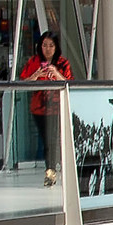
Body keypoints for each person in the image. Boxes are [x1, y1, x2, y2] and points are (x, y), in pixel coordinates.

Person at [20, 32, 70, 172]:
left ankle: (54, 169)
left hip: (57, 107)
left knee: (55, 139)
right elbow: (23, 82)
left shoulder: (62, 63)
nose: (47, 49)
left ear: (56, 47)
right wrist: (36, 75)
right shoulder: (34, 62)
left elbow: (68, 82)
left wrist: (56, 73)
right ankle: (51, 169)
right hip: (39, 109)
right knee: (47, 139)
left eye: (51, 46)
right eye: (45, 45)